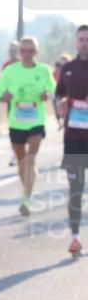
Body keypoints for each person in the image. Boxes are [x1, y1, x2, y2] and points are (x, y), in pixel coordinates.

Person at [0, 36, 57, 217]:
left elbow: (54, 88)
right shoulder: (11, 71)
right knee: (21, 162)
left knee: (30, 159)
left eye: (31, 51)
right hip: (16, 121)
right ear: (19, 52)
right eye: (23, 51)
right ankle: (26, 189)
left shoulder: (43, 70)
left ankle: (26, 198)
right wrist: (2, 98)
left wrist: (47, 93)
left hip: (36, 121)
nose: (27, 55)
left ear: (37, 52)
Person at [55, 24, 88, 258]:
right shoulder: (68, 68)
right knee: (75, 189)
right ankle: (75, 237)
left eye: (87, 39)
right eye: (81, 39)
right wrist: (60, 103)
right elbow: (59, 94)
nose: (84, 43)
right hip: (74, 138)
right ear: (76, 42)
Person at [54, 54, 73, 131]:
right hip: (59, 93)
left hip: (70, 94)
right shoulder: (57, 71)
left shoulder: (73, 69)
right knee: (58, 108)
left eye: (66, 61)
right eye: (62, 62)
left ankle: (67, 123)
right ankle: (60, 122)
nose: (64, 64)